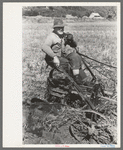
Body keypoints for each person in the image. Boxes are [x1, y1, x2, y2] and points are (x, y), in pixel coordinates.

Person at [42, 18, 87, 85]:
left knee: (76, 56)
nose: (61, 29)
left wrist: (71, 40)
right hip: (53, 58)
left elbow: (74, 45)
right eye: (58, 27)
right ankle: (71, 81)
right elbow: (44, 47)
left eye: (62, 27)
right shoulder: (51, 36)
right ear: (54, 28)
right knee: (67, 64)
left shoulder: (64, 36)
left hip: (62, 57)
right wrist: (54, 57)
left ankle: (77, 78)